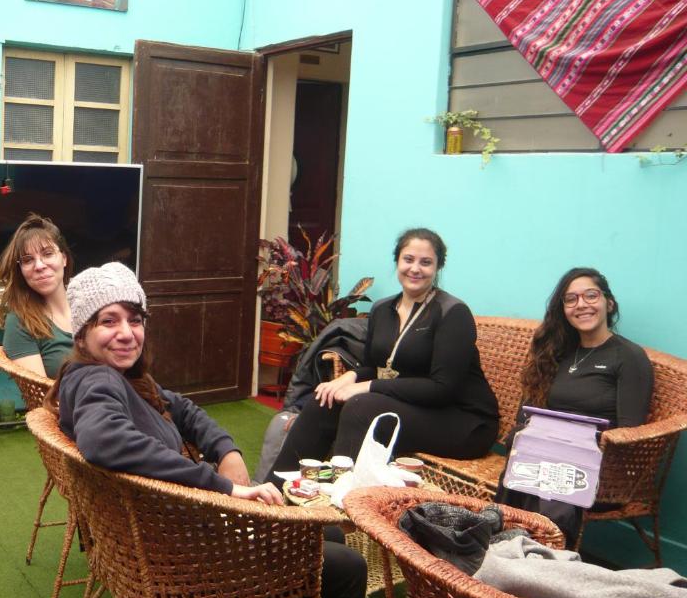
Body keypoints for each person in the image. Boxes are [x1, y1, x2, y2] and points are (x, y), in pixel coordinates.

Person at [47, 262, 368, 598]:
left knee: (326, 531)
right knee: (345, 566)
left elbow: (183, 409)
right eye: (109, 321)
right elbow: (103, 439)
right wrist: (225, 488)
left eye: (134, 319)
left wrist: (226, 450)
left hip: (170, 538)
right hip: (186, 570)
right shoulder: (98, 380)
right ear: (81, 334)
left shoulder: (123, 379)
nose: (126, 333)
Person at [267, 227, 499, 480]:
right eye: (408, 259)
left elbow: (442, 389)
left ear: (437, 267)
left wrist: (369, 386)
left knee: (362, 407)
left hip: (462, 420)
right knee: (325, 398)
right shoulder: (383, 309)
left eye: (426, 262)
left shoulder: (452, 313)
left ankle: (340, 509)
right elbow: (376, 366)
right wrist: (350, 378)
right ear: (397, 261)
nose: (415, 268)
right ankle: (274, 496)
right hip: (413, 405)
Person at [496, 267, 653, 545]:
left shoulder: (628, 357)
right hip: (542, 455)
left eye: (590, 295)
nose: (581, 304)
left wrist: (572, 449)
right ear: (564, 309)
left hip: (595, 466)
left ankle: (536, 554)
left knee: (546, 479)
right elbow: (527, 410)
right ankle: (511, 549)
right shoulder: (557, 352)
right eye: (571, 299)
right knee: (523, 464)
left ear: (609, 303)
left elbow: (629, 433)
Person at [0, 213, 74, 378]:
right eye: (28, 260)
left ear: (64, 258)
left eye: (47, 254)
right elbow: (41, 395)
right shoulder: (21, 322)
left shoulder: (91, 306)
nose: (39, 266)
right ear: (21, 270)